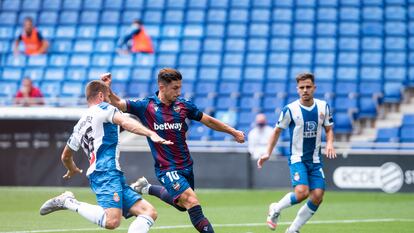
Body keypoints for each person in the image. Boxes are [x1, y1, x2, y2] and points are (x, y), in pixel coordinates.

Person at [101, 68, 245, 233]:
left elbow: (208, 121)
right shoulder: (146, 106)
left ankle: (146, 188)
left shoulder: (183, 105)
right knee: (191, 201)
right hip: (167, 168)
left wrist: (232, 132)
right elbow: (118, 103)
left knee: (183, 206)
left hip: (186, 165)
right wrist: (107, 88)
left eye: (180, 87)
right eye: (175, 88)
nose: (179, 92)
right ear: (162, 87)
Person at [39, 80, 173, 232]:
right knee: (111, 221)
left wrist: (71, 168)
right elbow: (125, 121)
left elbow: (65, 156)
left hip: (110, 172)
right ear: (101, 96)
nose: (111, 102)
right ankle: (68, 202)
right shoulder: (104, 108)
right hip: (105, 171)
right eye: (109, 97)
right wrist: (150, 133)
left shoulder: (80, 124)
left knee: (148, 212)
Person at [257, 73, 337, 233]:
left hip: (315, 160)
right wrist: (267, 152)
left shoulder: (323, 107)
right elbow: (276, 131)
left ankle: (293, 229)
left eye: (308, 87)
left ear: (314, 88)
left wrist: (330, 143)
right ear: (297, 89)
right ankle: (275, 208)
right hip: (297, 158)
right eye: (302, 87)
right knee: (301, 193)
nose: (305, 90)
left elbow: (328, 129)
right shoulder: (290, 109)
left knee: (318, 195)